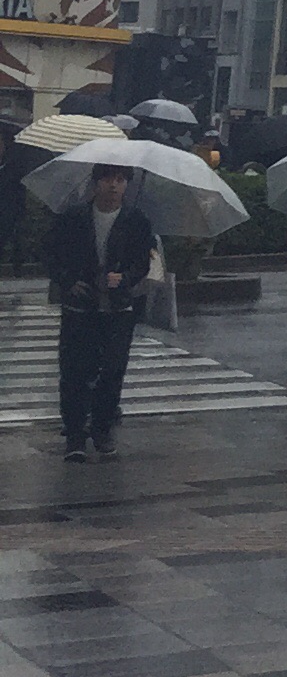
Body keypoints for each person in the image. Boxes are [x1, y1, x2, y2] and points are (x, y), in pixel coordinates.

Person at [41, 164, 154, 461]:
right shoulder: (74, 217)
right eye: (107, 179)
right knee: (75, 369)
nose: (113, 186)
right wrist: (68, 280)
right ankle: (75, 434)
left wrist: (125, 279)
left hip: (118, 306)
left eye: (120, 180)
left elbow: (144, 260)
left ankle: (102, 430)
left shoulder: (136, 220)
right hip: (81, 305)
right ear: (96, 183)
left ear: (127, 184)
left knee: (112, 369)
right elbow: (51, 253)